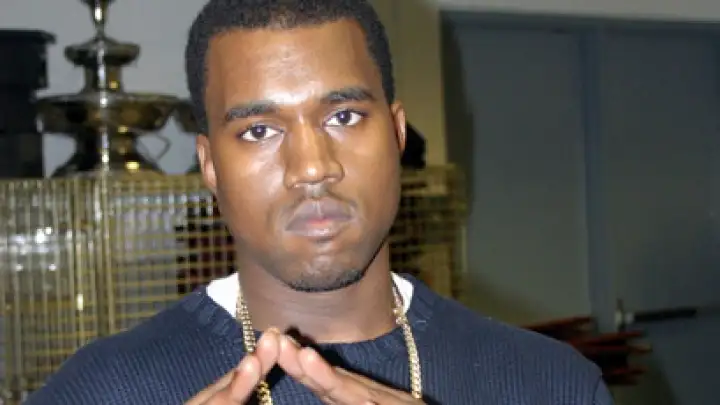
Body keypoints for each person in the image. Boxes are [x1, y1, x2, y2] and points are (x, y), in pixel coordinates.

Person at [25, 0, 614, 404]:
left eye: (344, 116)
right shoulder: (99, 391)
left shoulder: (552, 385)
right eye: (259, 130)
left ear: (397, 134)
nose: (312, 167)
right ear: (209, 165)